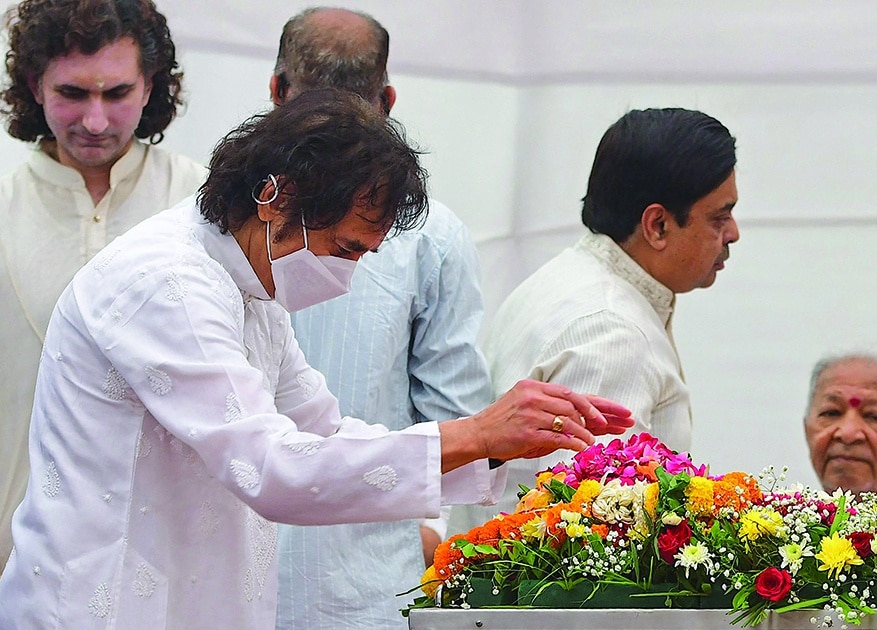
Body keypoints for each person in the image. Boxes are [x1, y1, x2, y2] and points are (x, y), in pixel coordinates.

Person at [0, 88, 633, 629]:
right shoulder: (167, 282)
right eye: (346, 249)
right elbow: (273, 467)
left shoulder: (253, 285)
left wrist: (490, 444)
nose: (345, 275)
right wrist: (469, 432)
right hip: (98, 605)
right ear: (275, 198)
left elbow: (324, 434)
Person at [268, 8, 493, 628]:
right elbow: (461, 420)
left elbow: (457, 417)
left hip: (352, 585)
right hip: (352, 589)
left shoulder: (429, 235)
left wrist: (430, 533)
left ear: (277, 92)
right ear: (387, 101)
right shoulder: (434, 234)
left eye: (357, 251)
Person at [453, 108, 739, 532]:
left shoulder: (574, 281)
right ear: (657, 225)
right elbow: (596, 537)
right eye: (719, 216)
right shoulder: (609, 331)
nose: (733, 232)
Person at [0, 0, 205, 572]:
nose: (94, 121)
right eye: (72, 93)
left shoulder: (203, 206)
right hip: (18, 558)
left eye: (116, 94)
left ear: (150, 88)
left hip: (167, 556)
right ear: (36, 87)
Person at [804, 353, 877, 497]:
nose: (848, 434)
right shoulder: (776, 517)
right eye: (831, 413)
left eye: (874, 416)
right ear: (806, 429)